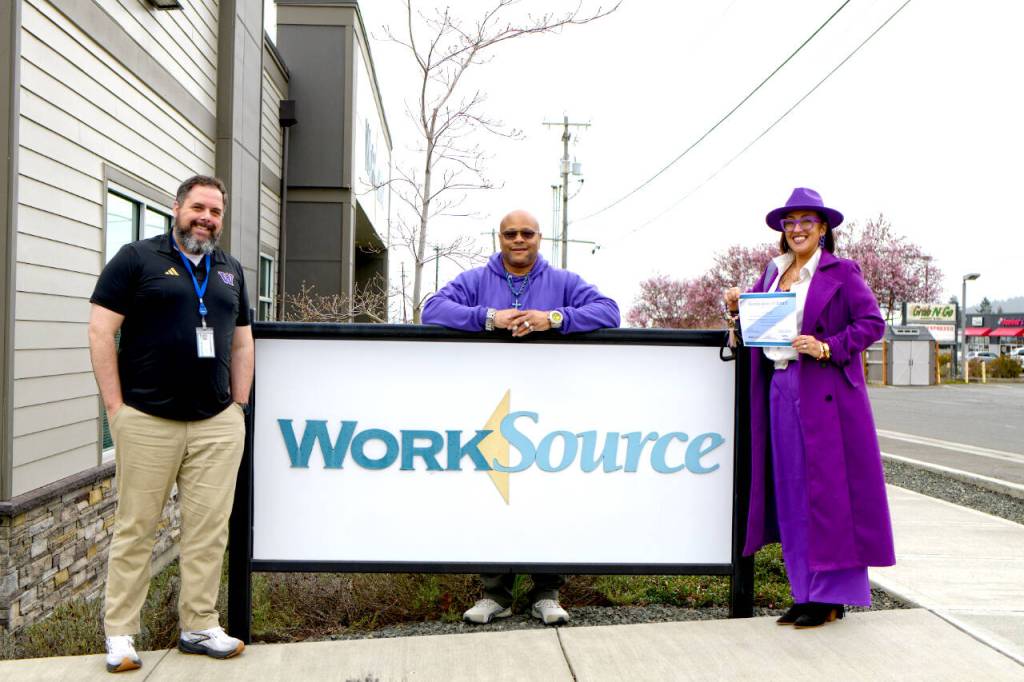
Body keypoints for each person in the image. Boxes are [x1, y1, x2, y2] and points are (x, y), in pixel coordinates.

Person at [88, 175, 254, 672]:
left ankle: (199, 625)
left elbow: (243, 341)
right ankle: (120, 634)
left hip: (215, 423)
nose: (206, 218)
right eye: (198, 208)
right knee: (136, 528)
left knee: (208, 530)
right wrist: (116, 410)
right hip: (147, 419)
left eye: (216, 212)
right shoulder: (136, 258)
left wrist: (237, 408)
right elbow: (101, 331)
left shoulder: (230, 269)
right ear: (177, 207)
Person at [422, 208, 620, 625]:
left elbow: (609, 312)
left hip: (550, 405)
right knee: (493, 491)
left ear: (539, 237)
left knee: (547, 494)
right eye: (510, 233)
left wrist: (554, 319)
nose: (518, 239)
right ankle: (495, 594)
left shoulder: (563, 281)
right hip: (488, 404)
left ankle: (546, 592)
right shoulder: (476, 280)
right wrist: (487, 318)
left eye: (526, 233)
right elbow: (432, 310)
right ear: (499, 237)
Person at [723, 187, 895, 629]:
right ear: (783, 231)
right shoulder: (772, 274)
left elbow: (872, 324)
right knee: (791, 492)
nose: (797, 229)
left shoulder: (842, 271)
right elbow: (760, 331)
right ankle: (804, 593)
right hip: (779, 387)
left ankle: (832, 595)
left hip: (826, 395)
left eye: (806, 221)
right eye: (789, 222)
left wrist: (826, 346)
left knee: (830, 493)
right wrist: (737, 309)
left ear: (822, 229)